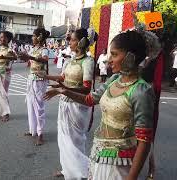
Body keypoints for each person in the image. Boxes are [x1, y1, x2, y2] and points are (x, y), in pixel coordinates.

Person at [44, 30, 156, 180]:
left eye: (114, 54)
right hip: (99, 155)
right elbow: (90, 100)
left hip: (121, 164)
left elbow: (144, 142)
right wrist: (63, 90)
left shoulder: (141, 91)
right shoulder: (114, 79)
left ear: (131, 57)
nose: (108, 60)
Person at [38, 28, 94, 179]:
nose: (70, 42)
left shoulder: (88, 61)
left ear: (81, 42)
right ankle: (68, 170)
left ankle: (82, 171)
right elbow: (62, 77)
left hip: (77, 105)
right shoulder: (69, 60)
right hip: (64, 102)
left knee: (75, 140)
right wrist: (46, 76)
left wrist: (62, 90)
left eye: (73, 39)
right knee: (63, 139)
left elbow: (86, 88)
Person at [18, 26, 50, 146]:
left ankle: (40, 133)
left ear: (39, 37)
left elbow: (45, 60)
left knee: (39, 106)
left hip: (40, 80)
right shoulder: (33, 48)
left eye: (34, 35)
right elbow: (29, 61)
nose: (32, 38)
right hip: (31, 79)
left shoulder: (44, 49)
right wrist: (22, 56)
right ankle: (33, 130)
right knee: (31, 104)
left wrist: (30, 57)